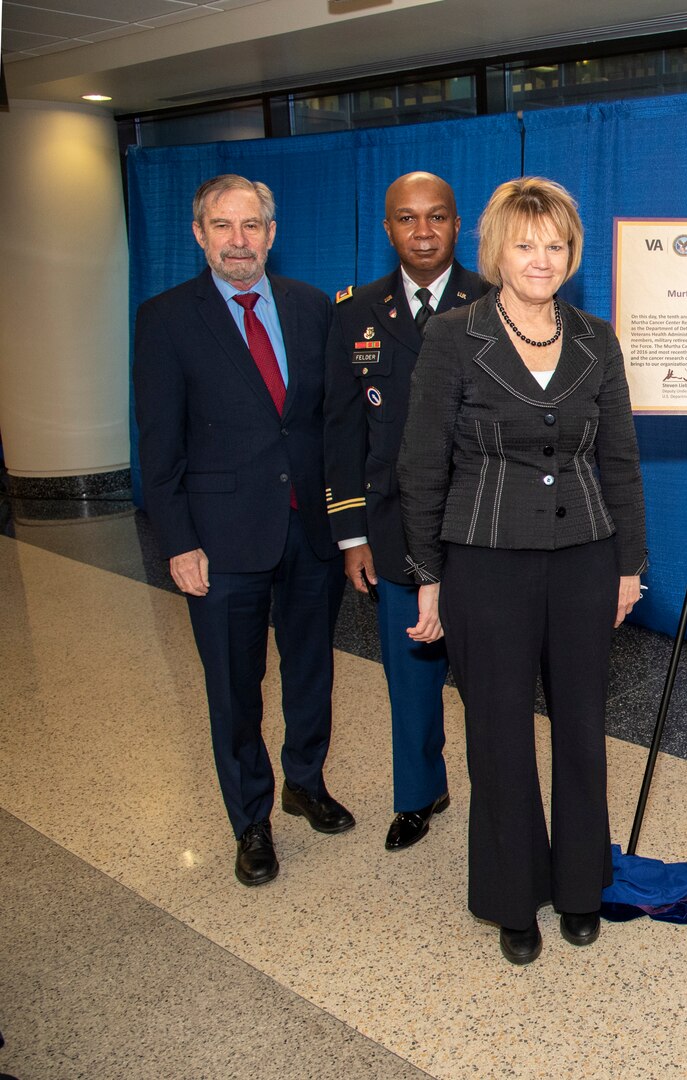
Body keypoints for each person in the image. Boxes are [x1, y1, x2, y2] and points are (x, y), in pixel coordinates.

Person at [396, 177, 647, 965]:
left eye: (556, 245)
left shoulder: (597, 338)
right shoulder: (453, 335)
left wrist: (630, 567)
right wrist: (429, 574)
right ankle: (512, 898)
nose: (541, 259)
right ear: (497, 249)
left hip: (585, 560)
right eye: (525, 243)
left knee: (581, 729)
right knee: (498, 735)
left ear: (572, 254)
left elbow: (621, 461)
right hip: (484, 563)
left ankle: (581, 885)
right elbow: (421, 462)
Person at [133, 175, 352, 888]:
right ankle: (250, 819)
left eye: (251, 225)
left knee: (312, 669)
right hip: (219, 540)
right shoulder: (166, 319)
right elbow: (159, 444)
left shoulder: (313, 308)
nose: (238, 240)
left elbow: (328, 424)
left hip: (308, 532)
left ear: (271, 231)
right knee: (234, 684)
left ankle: (304, 781)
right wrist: (177, 542)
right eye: (222, 226)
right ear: (198, 234)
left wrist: (349, 528)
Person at [324, 172, 487, 851]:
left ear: (458, 225)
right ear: (387, 228)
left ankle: (500, 798)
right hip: (395, 529)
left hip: (484, 529)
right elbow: (341, 429)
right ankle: (419, 794)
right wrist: (351, 533)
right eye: (407, 219)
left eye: (437, 217)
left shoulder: (498, 300)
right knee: (410, 673)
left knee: (490, 678)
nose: (423, 231)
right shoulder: (355, 310)